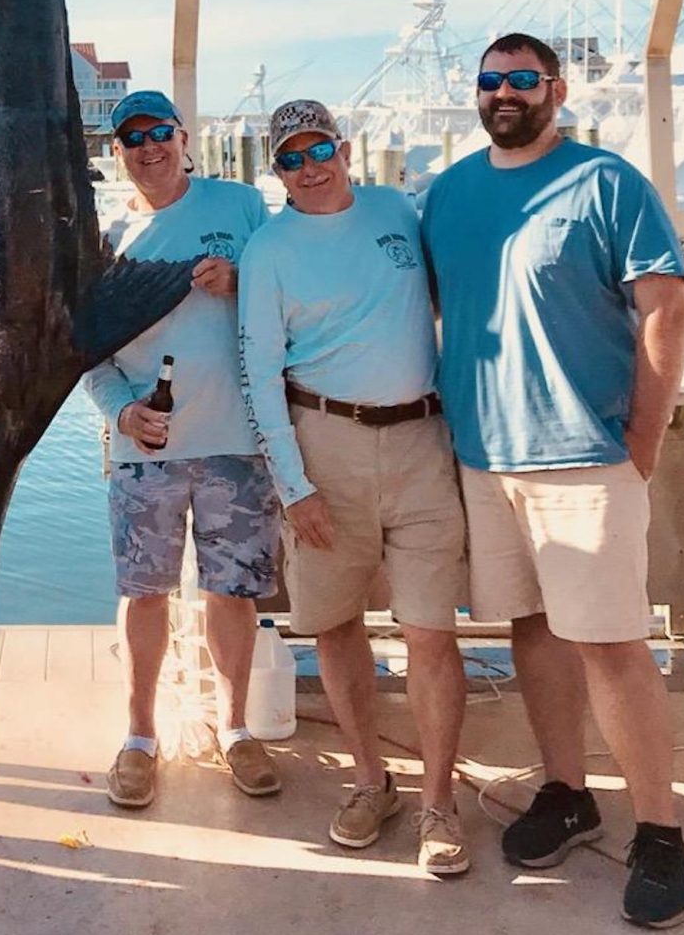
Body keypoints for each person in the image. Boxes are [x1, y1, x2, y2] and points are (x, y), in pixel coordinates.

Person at [422, 32, 684, 929]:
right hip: (483, 458)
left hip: (585, 458)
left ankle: (659, 831)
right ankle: (567, 791)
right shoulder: (449, 195)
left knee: (612, 647)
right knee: (534, 629)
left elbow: (669, 309)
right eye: (490, 79)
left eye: (522, 80)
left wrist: (643, 436)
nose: (505, 92)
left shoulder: (608, 184)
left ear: (557, 89)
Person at [238, 100, 470, 876]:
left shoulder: (398, 208)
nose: (309, 169)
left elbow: (453, 295)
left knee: (431, 631)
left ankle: (440, 802)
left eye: (319, 151)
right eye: (291, 160)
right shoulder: (267, 250)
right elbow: (258, 376)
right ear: (276, 171)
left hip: (422, 442)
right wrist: (292, 485)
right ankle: (372, 781)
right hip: (322, 446)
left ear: (344, 147)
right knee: (335, 625)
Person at [82, 89, 282, 809]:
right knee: (145, 593)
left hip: (237, 443)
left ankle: (235, 729)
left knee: (234, 591)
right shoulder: (104, 235)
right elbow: (86, 351)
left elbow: (285, 297)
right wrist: (122, 413)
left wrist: (244, 284)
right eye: (131, 138)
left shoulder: (240, 206)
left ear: (183, 135)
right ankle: (140, 735)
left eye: (159, 132)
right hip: (146, 451)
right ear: (118, 151)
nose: (148, 148)